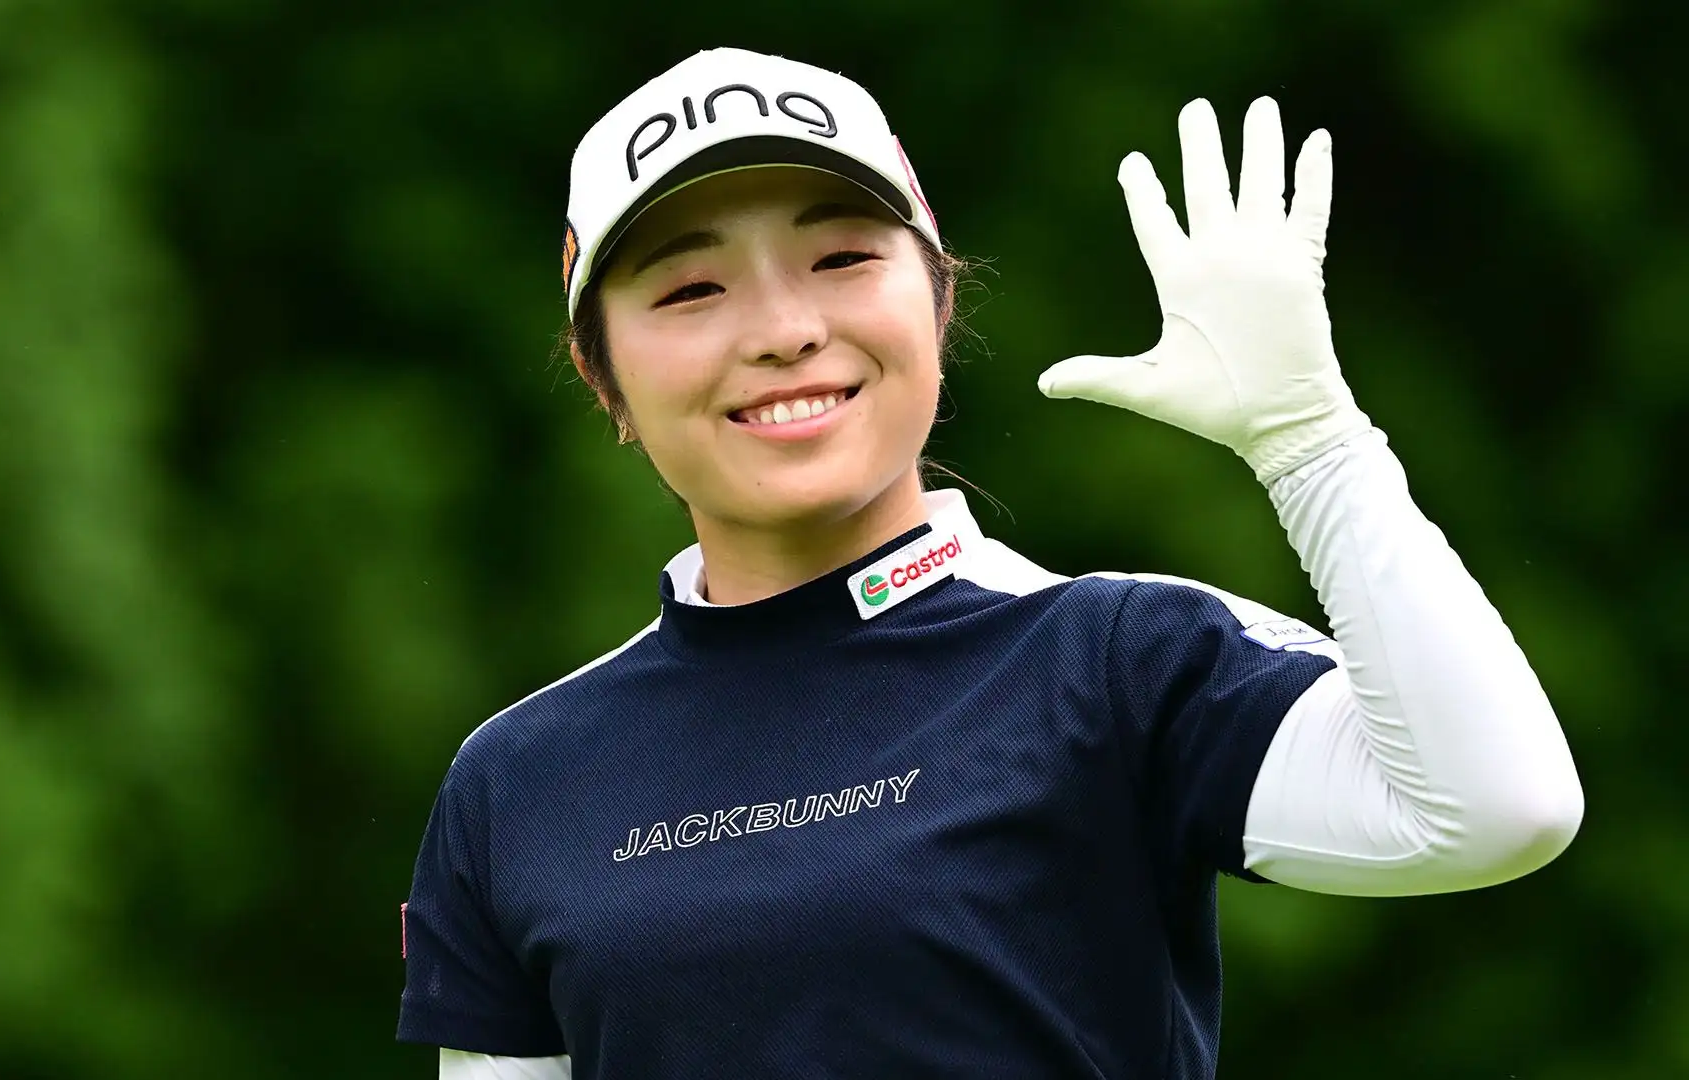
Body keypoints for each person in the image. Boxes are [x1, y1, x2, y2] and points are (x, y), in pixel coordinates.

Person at [395, 46, 1584, 1080]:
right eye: (692, 288)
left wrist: (1311, 440)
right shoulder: (516, 784)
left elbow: (1499, 809)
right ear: (602, 375)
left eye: (841, 259)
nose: (785, 331)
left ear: (938, 300)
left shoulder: (1112, 663)